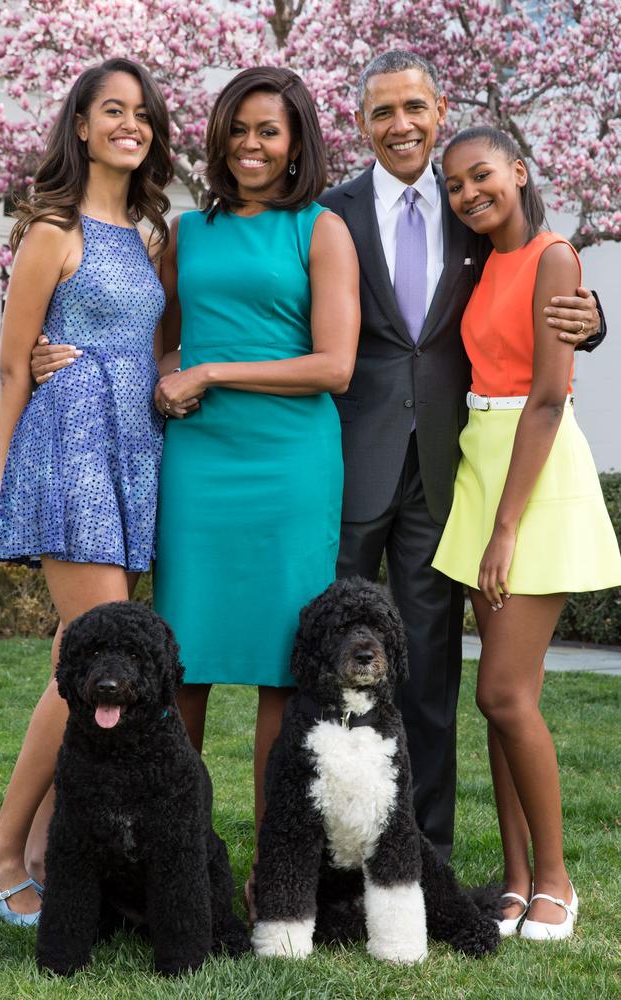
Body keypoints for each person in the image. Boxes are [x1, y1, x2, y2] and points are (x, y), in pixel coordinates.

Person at [318, 50, 605, 860]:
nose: (399, 125)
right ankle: (330, 847)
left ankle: (426, 856)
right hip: (349, 463)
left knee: (432, 673)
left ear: (439, 111)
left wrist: (593, 317)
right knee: (325, 661)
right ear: (362, 123)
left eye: (413, 107)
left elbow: (539, 282)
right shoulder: (331, 213)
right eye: (381, 112)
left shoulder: (471, 204)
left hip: (450, 476)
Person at [152, 66, 359, 917]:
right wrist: (167, 371)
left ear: (297, 140)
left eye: (268, 131)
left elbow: (335, 366)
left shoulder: (323, 230)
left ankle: (274, 882)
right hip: (200, 466)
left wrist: (213, 370)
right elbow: (158, 345)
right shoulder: (183, 233)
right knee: (180, 665)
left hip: (289, 466)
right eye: (237, 128)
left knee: (285, 672)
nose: (250, 145)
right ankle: (175, 876)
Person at [0, 58, 172, 925]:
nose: (130, 124)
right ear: (81, 126)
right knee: (88, 652)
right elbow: (15, 360)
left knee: (78, 652)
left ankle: (46, 848)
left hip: (134, 447)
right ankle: (4, 849)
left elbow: (150, 346)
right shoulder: (51, 228)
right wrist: (15, 478)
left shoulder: (151, 233)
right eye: (112, 111)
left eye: (142, 114)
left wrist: (176, 374)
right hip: (69, 449)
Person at [432, 125, 621, 939]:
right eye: (454, 186)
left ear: (519, 169)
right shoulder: (481, 262)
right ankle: (513, 883)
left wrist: (505, 529)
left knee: (501, 691)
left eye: (482, 177)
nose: (470, 194)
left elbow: (548, 397)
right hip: (482, 463)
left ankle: (555, 880)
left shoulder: (554, 255)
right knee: (506, 702)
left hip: (531, 475)